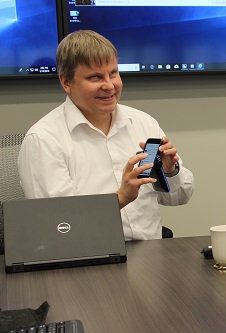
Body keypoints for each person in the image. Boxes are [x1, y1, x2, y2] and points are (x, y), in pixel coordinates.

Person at [18, 30, 194, 241]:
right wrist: (120, 198)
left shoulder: (143, 123)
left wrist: (170, 171)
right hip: (87, 260)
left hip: (152, 252)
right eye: (95, 77)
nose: (110, 86)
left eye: (113, 73)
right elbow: (57, 224)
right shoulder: (43, 139)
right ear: (66, 82)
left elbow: (180, 197)